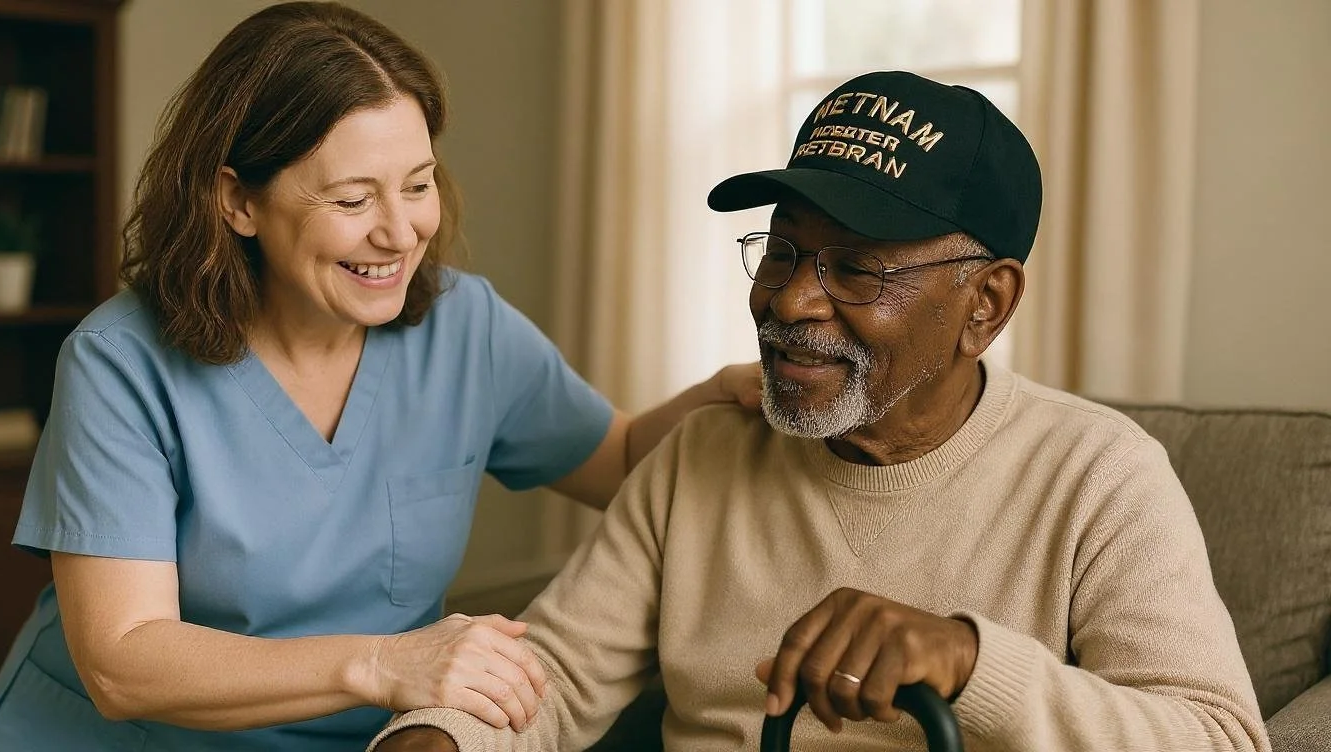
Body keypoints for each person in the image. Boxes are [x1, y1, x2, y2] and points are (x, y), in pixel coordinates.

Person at [370, 70, 1270, 751]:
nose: (792, 302)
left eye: (856, 268)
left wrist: (970, 663)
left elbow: (1219, 734)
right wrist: (441, 735)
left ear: (985, 305)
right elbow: (552, 678)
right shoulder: (705, 457)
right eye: (785, 252)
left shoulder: (1099, 474)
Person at [0, 3, 761, 751]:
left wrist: (719, 394)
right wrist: (385, 663)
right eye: (353, 198)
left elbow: (620, 459)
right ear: (238, 201)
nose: (400, 230)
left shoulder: (465, 327)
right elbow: (123, 660)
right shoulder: (121, 363)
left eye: (417, 185)